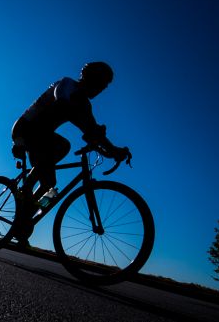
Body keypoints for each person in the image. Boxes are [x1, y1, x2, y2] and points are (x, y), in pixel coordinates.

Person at [11, 61, 131, 246]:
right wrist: (93, 132)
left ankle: (24, 216)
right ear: (88, 78)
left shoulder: (85, 106)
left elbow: (90, 129)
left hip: (44, 135)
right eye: (100, 84)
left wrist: (113, 149)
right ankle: (25, 190)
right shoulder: (67, 84)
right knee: (60, 148)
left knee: (50, 185)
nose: (101, 90)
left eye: (104, 87)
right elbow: (65, 105)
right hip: (26, 129)